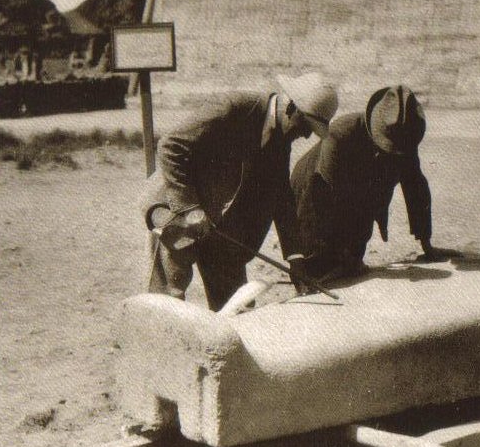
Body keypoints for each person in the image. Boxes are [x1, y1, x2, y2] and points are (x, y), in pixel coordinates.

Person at [141, 72, 339, 311]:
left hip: (220, 222)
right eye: (306, 126)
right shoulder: (233, 107)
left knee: (238, 307)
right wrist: (190, 208)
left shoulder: (280, 135)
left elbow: (281, 193)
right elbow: (171, 146)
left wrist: (295, 258)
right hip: (175, 207)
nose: (306, 135)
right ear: (291, 109)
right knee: (167, 300)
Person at [290, 85, 455, 281]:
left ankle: (343, 258)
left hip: (358, 196)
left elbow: (416, 188)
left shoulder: (403, 139)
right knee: (318, 267)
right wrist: (321, 250)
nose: (391, 153)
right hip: (311, 190)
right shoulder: (342, 134)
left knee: (352, 263)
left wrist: (427, 245)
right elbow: (323, 194)